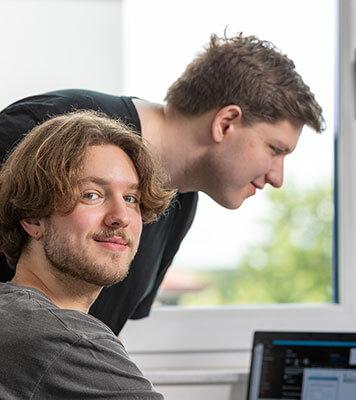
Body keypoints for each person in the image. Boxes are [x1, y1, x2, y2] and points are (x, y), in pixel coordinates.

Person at [1, 111, 356, 400]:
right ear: (32, 216)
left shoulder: (24, 320)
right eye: (92, 194)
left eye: (131, 198)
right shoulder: (54, 337)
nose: (121, 217)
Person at [0, 33, 324, 335]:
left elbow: (97, 334)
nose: (277, 177)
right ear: (226, 123)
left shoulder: (180, 200)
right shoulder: (43, 130)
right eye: (275, 150)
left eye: (131, 199)